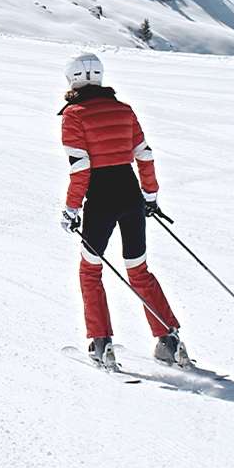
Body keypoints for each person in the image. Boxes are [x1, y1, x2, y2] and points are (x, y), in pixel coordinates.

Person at [58, 52, 188, 368]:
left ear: (72, 80)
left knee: (90, 270)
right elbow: (144, 155)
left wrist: (71, 208)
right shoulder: (123, 110)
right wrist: (150, 196)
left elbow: (81, 169)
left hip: (100, 202)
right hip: (131, 197)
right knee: (138, 269)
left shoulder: (73, 115)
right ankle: (169, 340)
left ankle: (101, 343)